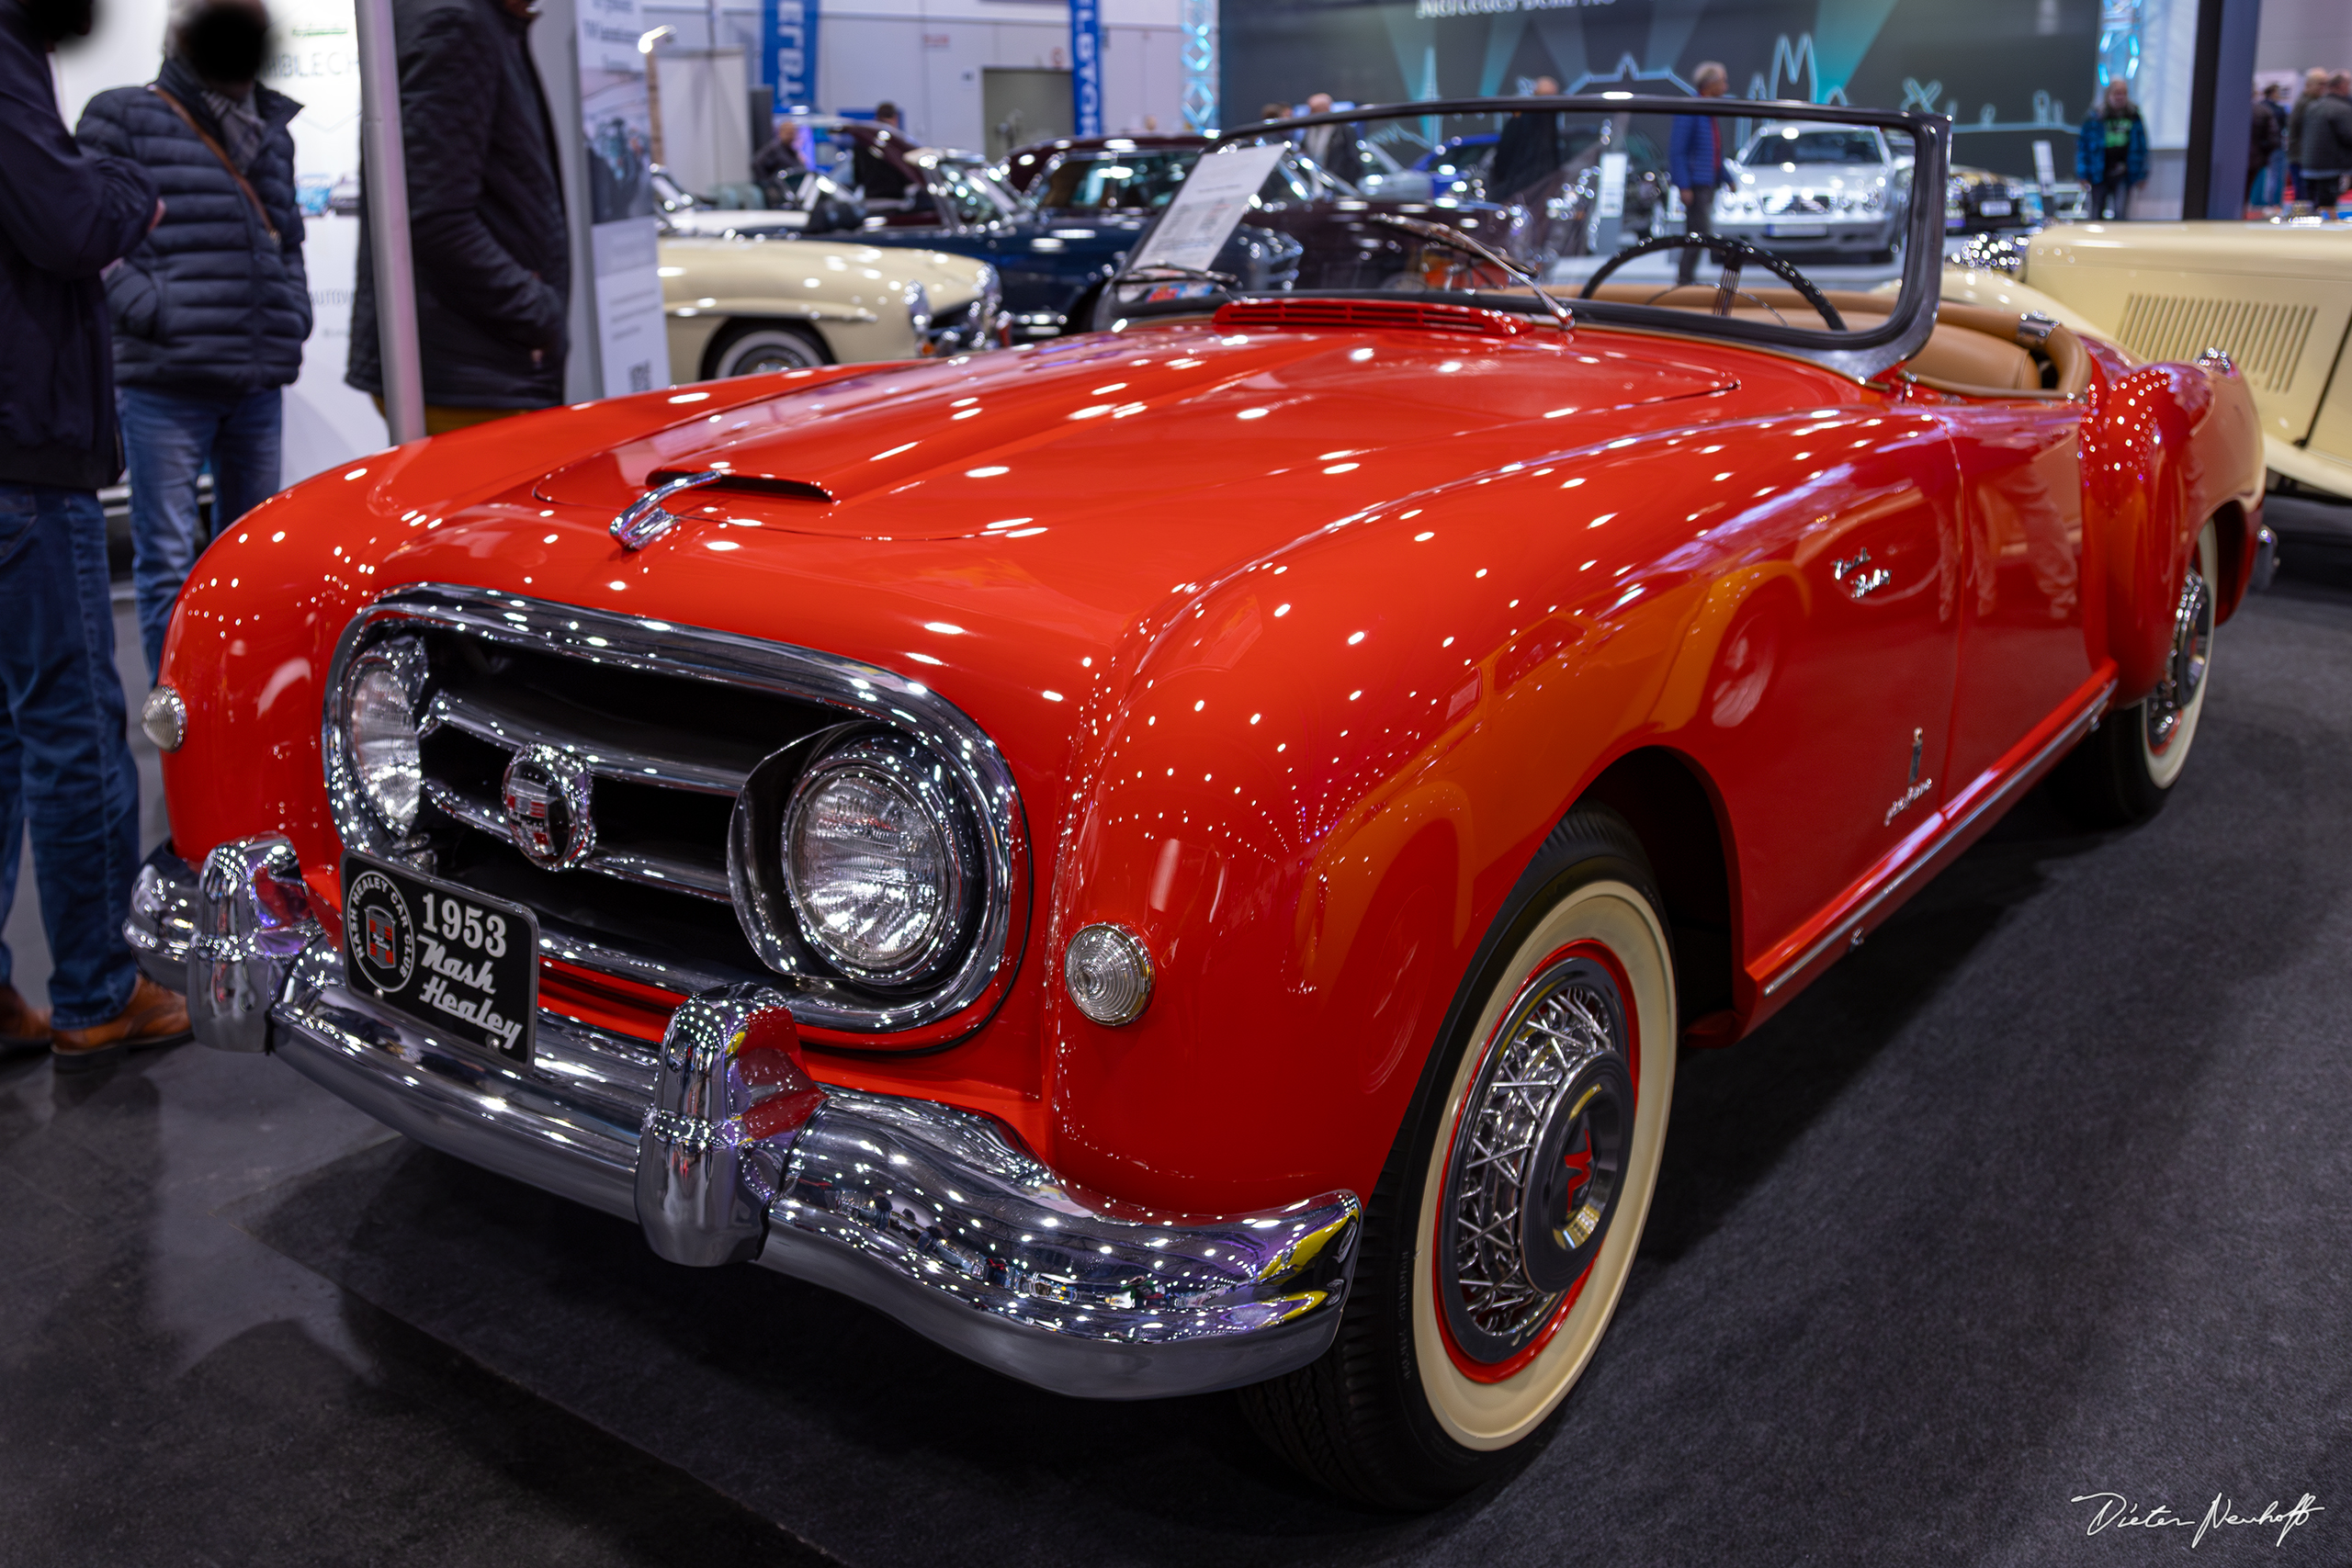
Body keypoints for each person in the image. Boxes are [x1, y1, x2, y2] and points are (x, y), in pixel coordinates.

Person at [0, 0, 194, 1068]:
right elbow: (69, 220)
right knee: (73, 726)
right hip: (25, 448)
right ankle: (97, 988)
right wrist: (127, 190)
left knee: (6, 731)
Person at [76, 0, 309, 686]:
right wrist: (150, 308)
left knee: (252, 564)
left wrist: (290, 308)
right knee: (169, 565)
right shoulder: (122, 114)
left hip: (256, 376)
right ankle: (179, 720)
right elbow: (88, 236)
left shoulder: (272, 125)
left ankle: (237, 712)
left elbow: (288, 236)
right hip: (165, 383)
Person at [345, 0, 569, 437]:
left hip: (475, 361)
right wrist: (534, 310)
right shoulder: (454, 23)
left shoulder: (472, 22)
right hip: (468, 368)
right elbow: (430, 216)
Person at [1668, 62, 1732, 285]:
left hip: (1707, 182)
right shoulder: (1692, 109)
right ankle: (1688, 278)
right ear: (1710, 83)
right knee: (1700, 232)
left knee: (1696, 233)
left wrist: (1726, 177)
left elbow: (1713, 151)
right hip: (1696, 185)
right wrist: (1684, 185)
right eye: (1722, 81)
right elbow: (1678, 151)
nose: (1726, 86)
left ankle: (1685, 278)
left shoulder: (1708, 111)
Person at [2075, 78, 2148, 220]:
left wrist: (2142, 174)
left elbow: (2142, 147)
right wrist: (2082, 173)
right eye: (2117, 93)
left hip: (2123, 174)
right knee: (2096, 213)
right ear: (2108, 95)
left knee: (2121, 213)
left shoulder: (2134, 117)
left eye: (2123, 94)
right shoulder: (2094, 117)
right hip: (2099, 173)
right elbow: (2082, 147)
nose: (2120, 97)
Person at [1489, 75, 1565, 205]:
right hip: (1522, 193)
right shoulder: (1524, 121)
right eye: (1546, 97)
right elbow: (1503, 157)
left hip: (1529, 192)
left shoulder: (1524, 120)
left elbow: (1502, 157)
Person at [2299, 71, 2352, 213]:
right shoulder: (2342, 109)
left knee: (2316, 206)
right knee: (2327, 206)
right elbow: (2349, 136)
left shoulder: (2313, 106)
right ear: (2342, 86)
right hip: (2331, 166)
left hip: (2310, 165)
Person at [1296, 92, 1364, 185]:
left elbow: (1353, 158)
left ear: (1326, 108)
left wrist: (1347, 183)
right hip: (1315, 182)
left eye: (1315, 110)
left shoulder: (1344, 130)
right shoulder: (1309, 131)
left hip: (1339, 183)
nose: (1311, 113)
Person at [852, 101, 911, 202]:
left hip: (871, 198)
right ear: (895, 118)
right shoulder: (898, 142)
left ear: (877, 116)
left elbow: (857, 175)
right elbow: (908, 175)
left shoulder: (864, 141)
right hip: (896, 200)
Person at [2286, 67, 2327, 202]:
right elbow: (2295, 132)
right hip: (2302, 159)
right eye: (2320, 84)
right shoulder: (2305, 104)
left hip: (2308, 158)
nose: (2324, 88)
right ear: (2309, 84)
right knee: (2305, 200)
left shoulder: (2313, 103)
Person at [2247, 85, 2282, 209]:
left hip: (2237, 158)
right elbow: (2273, 138)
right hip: (2256, 157)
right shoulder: (2264, 110)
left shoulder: (2230, 110)